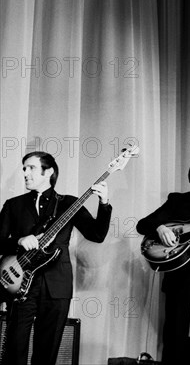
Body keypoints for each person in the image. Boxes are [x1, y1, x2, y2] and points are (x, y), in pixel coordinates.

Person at [0, 151, 112, 365]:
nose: (25, 173)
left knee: (47, 353)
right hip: (19, 284)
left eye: (30, 168)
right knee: (14, 351)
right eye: (24, 168)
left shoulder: (69, 203)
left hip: (56, 285)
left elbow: (96, 235)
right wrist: (19, 240)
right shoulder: (13, 205)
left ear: (48, 171)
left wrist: (104, 203)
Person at [136, 156, 190, 365]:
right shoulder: (177, 201)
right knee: (174, 336)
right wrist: (160, 227)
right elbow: (142, 224)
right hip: (180, 276)